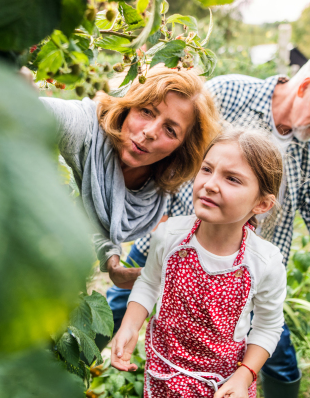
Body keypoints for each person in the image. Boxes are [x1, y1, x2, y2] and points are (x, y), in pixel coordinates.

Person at [109, 51, 310, 397]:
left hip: (245, 275)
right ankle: (74, 367)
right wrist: (157, 213)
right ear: (305, 87)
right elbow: (171, 144)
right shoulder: (230, 93)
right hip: (174, 243)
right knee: (116, 309)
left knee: (274, 352)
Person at [111, 128, 287, 398]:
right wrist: (130, 326)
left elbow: (267, 326)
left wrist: (243, 377)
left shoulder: (264, 262)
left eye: (232, 179)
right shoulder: (170, 235)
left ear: (262, 203)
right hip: (164, 373)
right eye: (207, 169)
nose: (211, 184)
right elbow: (149, 282)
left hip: (223, 385)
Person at [40, 68, 219, 274]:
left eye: (170, 130)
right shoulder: (85, 128)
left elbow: (102, 204)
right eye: (146, 111)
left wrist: (111, 261)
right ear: (127, 106)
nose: (151, 132)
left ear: (182, 147)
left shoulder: (155, 184)